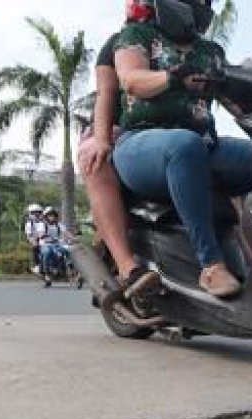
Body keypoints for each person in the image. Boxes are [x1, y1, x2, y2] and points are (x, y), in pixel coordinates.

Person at [113, 0, 252, 298]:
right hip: (141, 146)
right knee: (184, 144)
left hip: (205, 145)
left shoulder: (211, 52)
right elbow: (132, 80)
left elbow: (239, 103)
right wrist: (172, 77)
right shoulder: (138, 36)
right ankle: (212, 267)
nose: (202, 5)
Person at [77, 6, 158, 306]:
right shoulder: (120, 43)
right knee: (95, 160)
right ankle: (127, 266)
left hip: (169, 133)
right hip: (121, 128)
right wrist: (100, 138)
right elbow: (107, 93)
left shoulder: (197, 50)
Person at [38, 207, 71, 279]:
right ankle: (46, 273)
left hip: (57, 244)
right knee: (47, 252)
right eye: (49, 215)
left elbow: (66, 233)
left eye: (53, 215)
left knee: (67, 251)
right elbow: (41, 234)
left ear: (56, 216)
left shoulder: (59, 225)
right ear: (46, 217)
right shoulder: (42, 225)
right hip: (45, 244)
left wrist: (73, 238)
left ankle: (71, 269)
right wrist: (44, 236)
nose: (51, 217)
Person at [23, 204, 46, 273]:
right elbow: (29, 235)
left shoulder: (44, 222)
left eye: (38, 212)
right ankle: (37, 265)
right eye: (34, 213)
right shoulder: (29, 223)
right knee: (35, 247)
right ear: (30, 214)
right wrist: (34, 241)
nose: (36, 214)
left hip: (44, 239)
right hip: (34, 239)